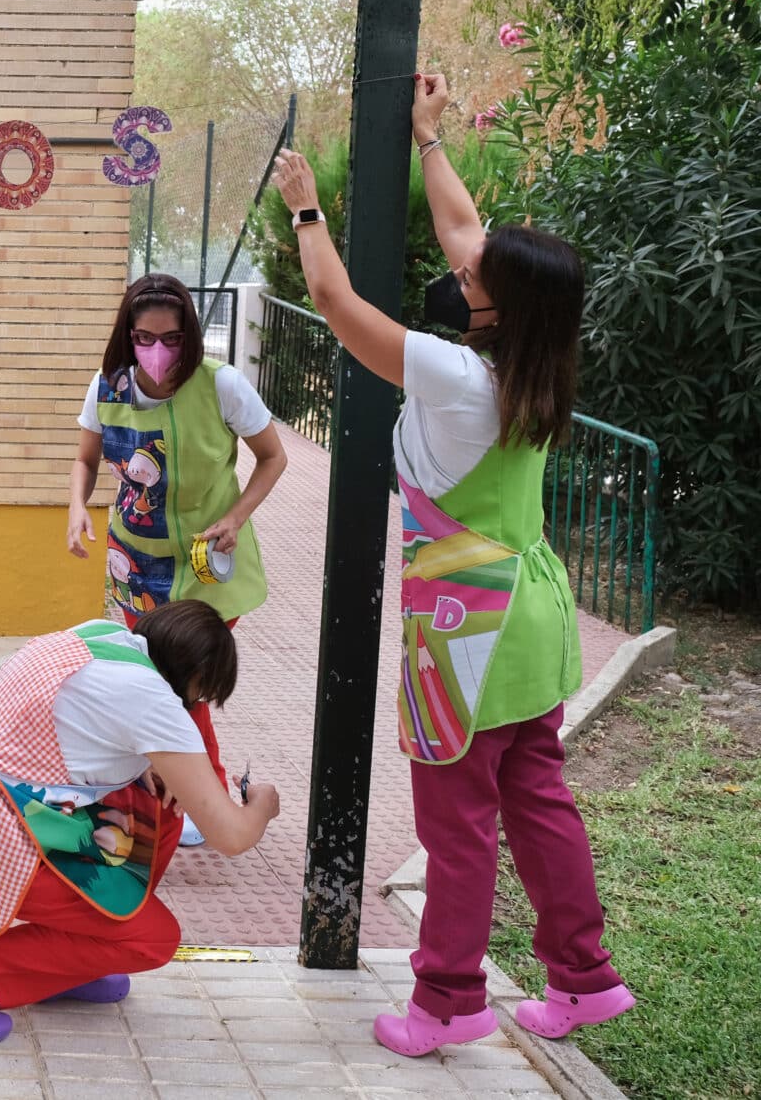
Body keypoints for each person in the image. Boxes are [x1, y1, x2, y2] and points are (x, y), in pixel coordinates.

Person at [272, 75, 632, 1056]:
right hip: (536, 613)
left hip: (462, 632)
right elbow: (466, 229)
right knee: (536, 800)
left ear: (493, 304)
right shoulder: (536, 366)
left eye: (475, 274)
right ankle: (583, 982)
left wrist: (305, 205)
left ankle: (444, 1003)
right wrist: (427, 142)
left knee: (458, 823)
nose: (460, 267)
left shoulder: (454, 374)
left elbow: (333, 301)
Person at [0, 600, 281, 1043]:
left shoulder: (101, 636)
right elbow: (231, 836)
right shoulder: (155, 702)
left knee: (157, 810)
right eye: (203, 694)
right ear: (195, 678)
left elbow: (74, 726)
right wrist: (262, 804)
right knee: (153, 940)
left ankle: (75, 960)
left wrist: (149, 767)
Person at [68, 274, 288, 842]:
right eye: (144, 338)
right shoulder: (106, 387)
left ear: (190, 335)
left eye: (172, 338)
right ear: (127, 336)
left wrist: (235, 518)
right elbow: (86, 461)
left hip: (204, 568)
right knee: (158, 686)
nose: (158, 352)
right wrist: (76, 507)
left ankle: (201, 803)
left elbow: (272, 457)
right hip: (136, 567)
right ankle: (181, 797)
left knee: (181, 687)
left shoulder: (223, 386)